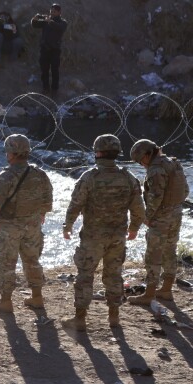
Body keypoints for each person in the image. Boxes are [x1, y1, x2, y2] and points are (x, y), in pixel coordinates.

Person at [62, 134, 144, 332]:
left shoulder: (90, 177)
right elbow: (139, 209)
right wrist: (133, 228)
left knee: (85, 275)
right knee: (114, 275)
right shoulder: (128, 177)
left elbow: (75, 204)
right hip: (117, 236)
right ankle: (113, 317)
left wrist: (68, 225)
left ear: (98, 153)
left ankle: (80, 318)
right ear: (117, 153)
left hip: (92, 236)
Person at [0, 134, 53, 313]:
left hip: (10, 227)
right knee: (32, 260)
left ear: (10, 153)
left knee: (5, 262)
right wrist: (41, 213)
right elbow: (48, 197)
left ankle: (5, 300)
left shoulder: (6, 176)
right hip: (33, 225)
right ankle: (37, 297)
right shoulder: (39, 174)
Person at [127, 139, 190, 305]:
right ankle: (167, 290)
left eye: (141, 160)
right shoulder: (174, 164)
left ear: (148, 155)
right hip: (176, 213)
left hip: (160, 218)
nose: (141, 164)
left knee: (153, 256)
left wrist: (147, 217)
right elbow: (185, 191)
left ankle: (149, 294)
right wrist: (173, 207)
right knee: (170, 251)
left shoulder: (155, 170)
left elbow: (155, 197)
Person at [32, 4, 68, 94]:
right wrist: (34, 19)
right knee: (44, 70)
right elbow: (35, 25)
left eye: (54, 11)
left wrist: (50, 21)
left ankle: (55, 89)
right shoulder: (46, 20)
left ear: (59, 12)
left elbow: (60, 28)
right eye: (51, 11)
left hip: (55, 50)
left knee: (55, 70)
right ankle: (45, 88)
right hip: (44, 49)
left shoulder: (63, 22)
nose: (52, 13)